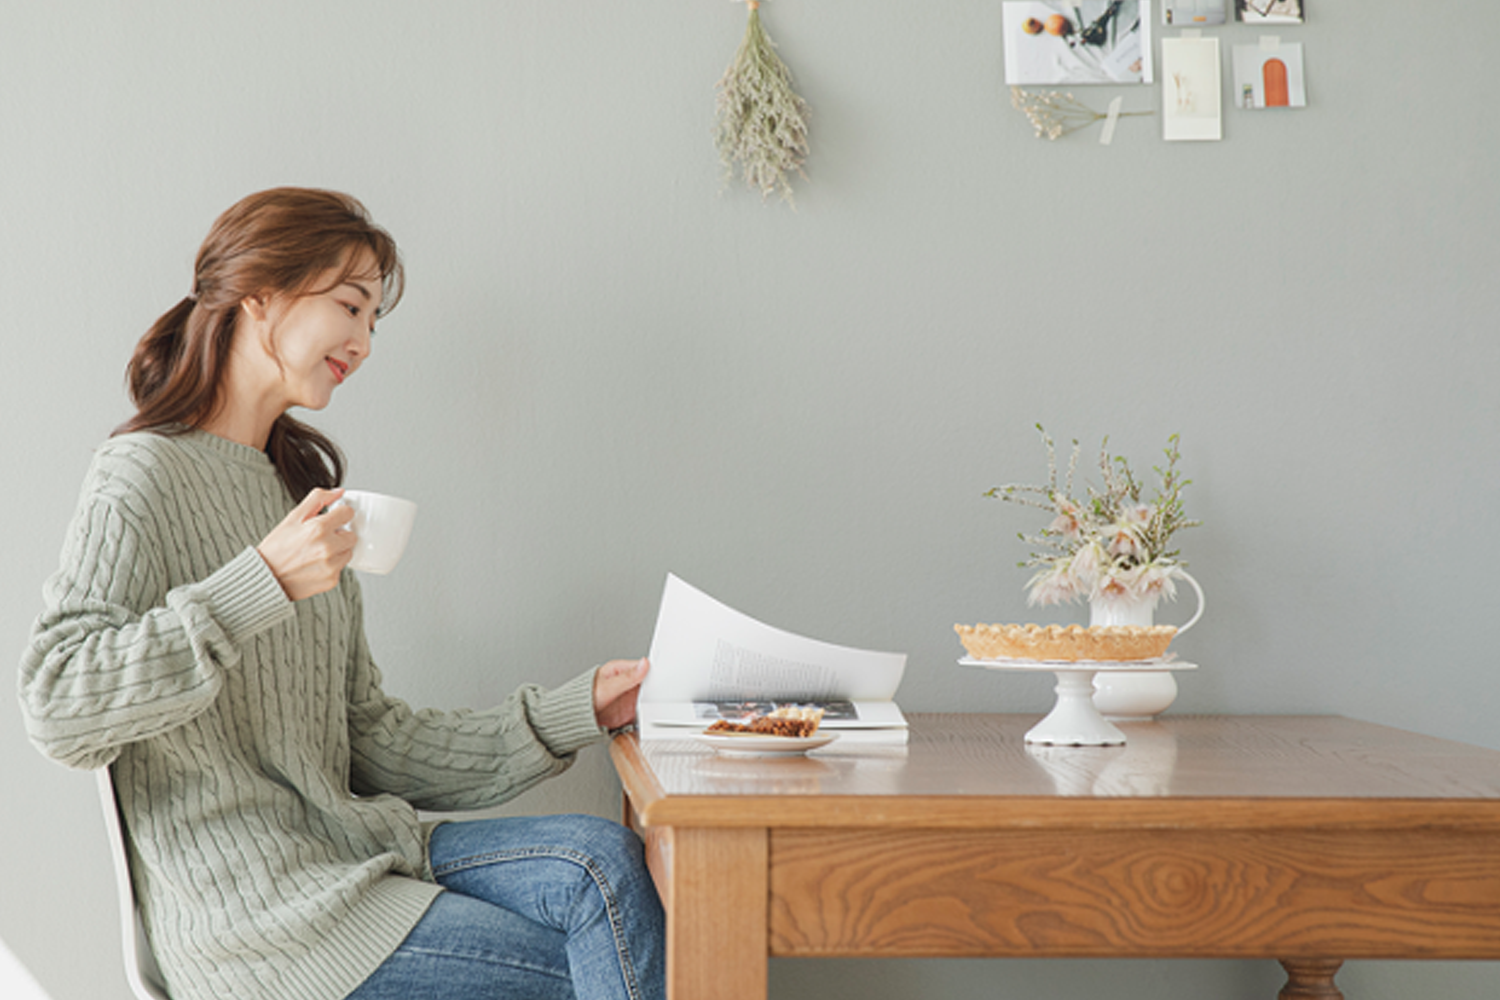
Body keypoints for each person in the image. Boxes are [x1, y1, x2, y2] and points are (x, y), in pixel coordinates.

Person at [17, 188, 665, 1000]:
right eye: (350, 306)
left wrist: (577, 709)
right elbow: (55, 701)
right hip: (261, 924)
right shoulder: (142, 473)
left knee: (602, 861)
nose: (362, 342)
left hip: (351, 856)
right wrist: (261, 585)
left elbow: (369, 742)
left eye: (372, 322)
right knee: (602, 968)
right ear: (262, 296)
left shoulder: (301, 496)